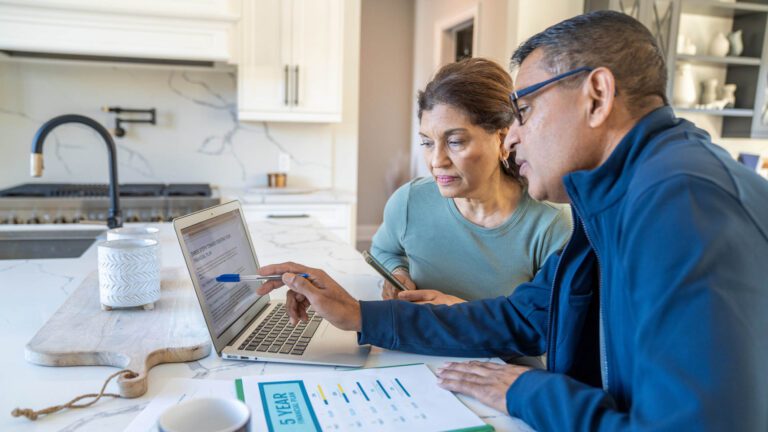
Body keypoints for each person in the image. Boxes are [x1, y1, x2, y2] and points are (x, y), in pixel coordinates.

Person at [257, 11, 768, 431]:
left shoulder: (682, 202)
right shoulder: (620, 195)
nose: (514, 137)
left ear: (596, 96)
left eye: (523, 110)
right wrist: (361, 316)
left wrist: (527, 391)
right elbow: (522, 317)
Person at [372, 58, 571, 305]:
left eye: (455, 142)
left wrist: (457, 312)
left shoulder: (550, 225)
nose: (436, 161)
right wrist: (397, 272)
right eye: (427, 142)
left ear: (502, 138)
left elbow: (546, 325)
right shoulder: (409, 202)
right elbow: (383, 250)